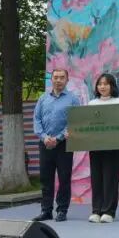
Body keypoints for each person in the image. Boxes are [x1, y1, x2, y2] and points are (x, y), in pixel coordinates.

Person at [33, 68, 80, 222]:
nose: (58, 80)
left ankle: (62, 210)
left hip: (64, 144)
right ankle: (46, 210)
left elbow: (75, 121)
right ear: (51, 79)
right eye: (56, 77)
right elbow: (37, 119)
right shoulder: (43, 98)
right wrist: (44, 137)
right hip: (45, 143)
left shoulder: (73, 99)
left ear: (67, 80)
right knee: (45, 178)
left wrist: (58, 138)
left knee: (64, 178)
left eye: (62, 77)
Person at [84, 72, 119, 224]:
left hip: (113, 147)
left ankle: (109, 211)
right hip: (95, 147)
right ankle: (96, 210)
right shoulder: (92, 104)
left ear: (112, 86)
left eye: (106, 84)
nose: (102, 87)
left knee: (110, 178)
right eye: (100, 84)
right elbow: (86, 125)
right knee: (96, 178)